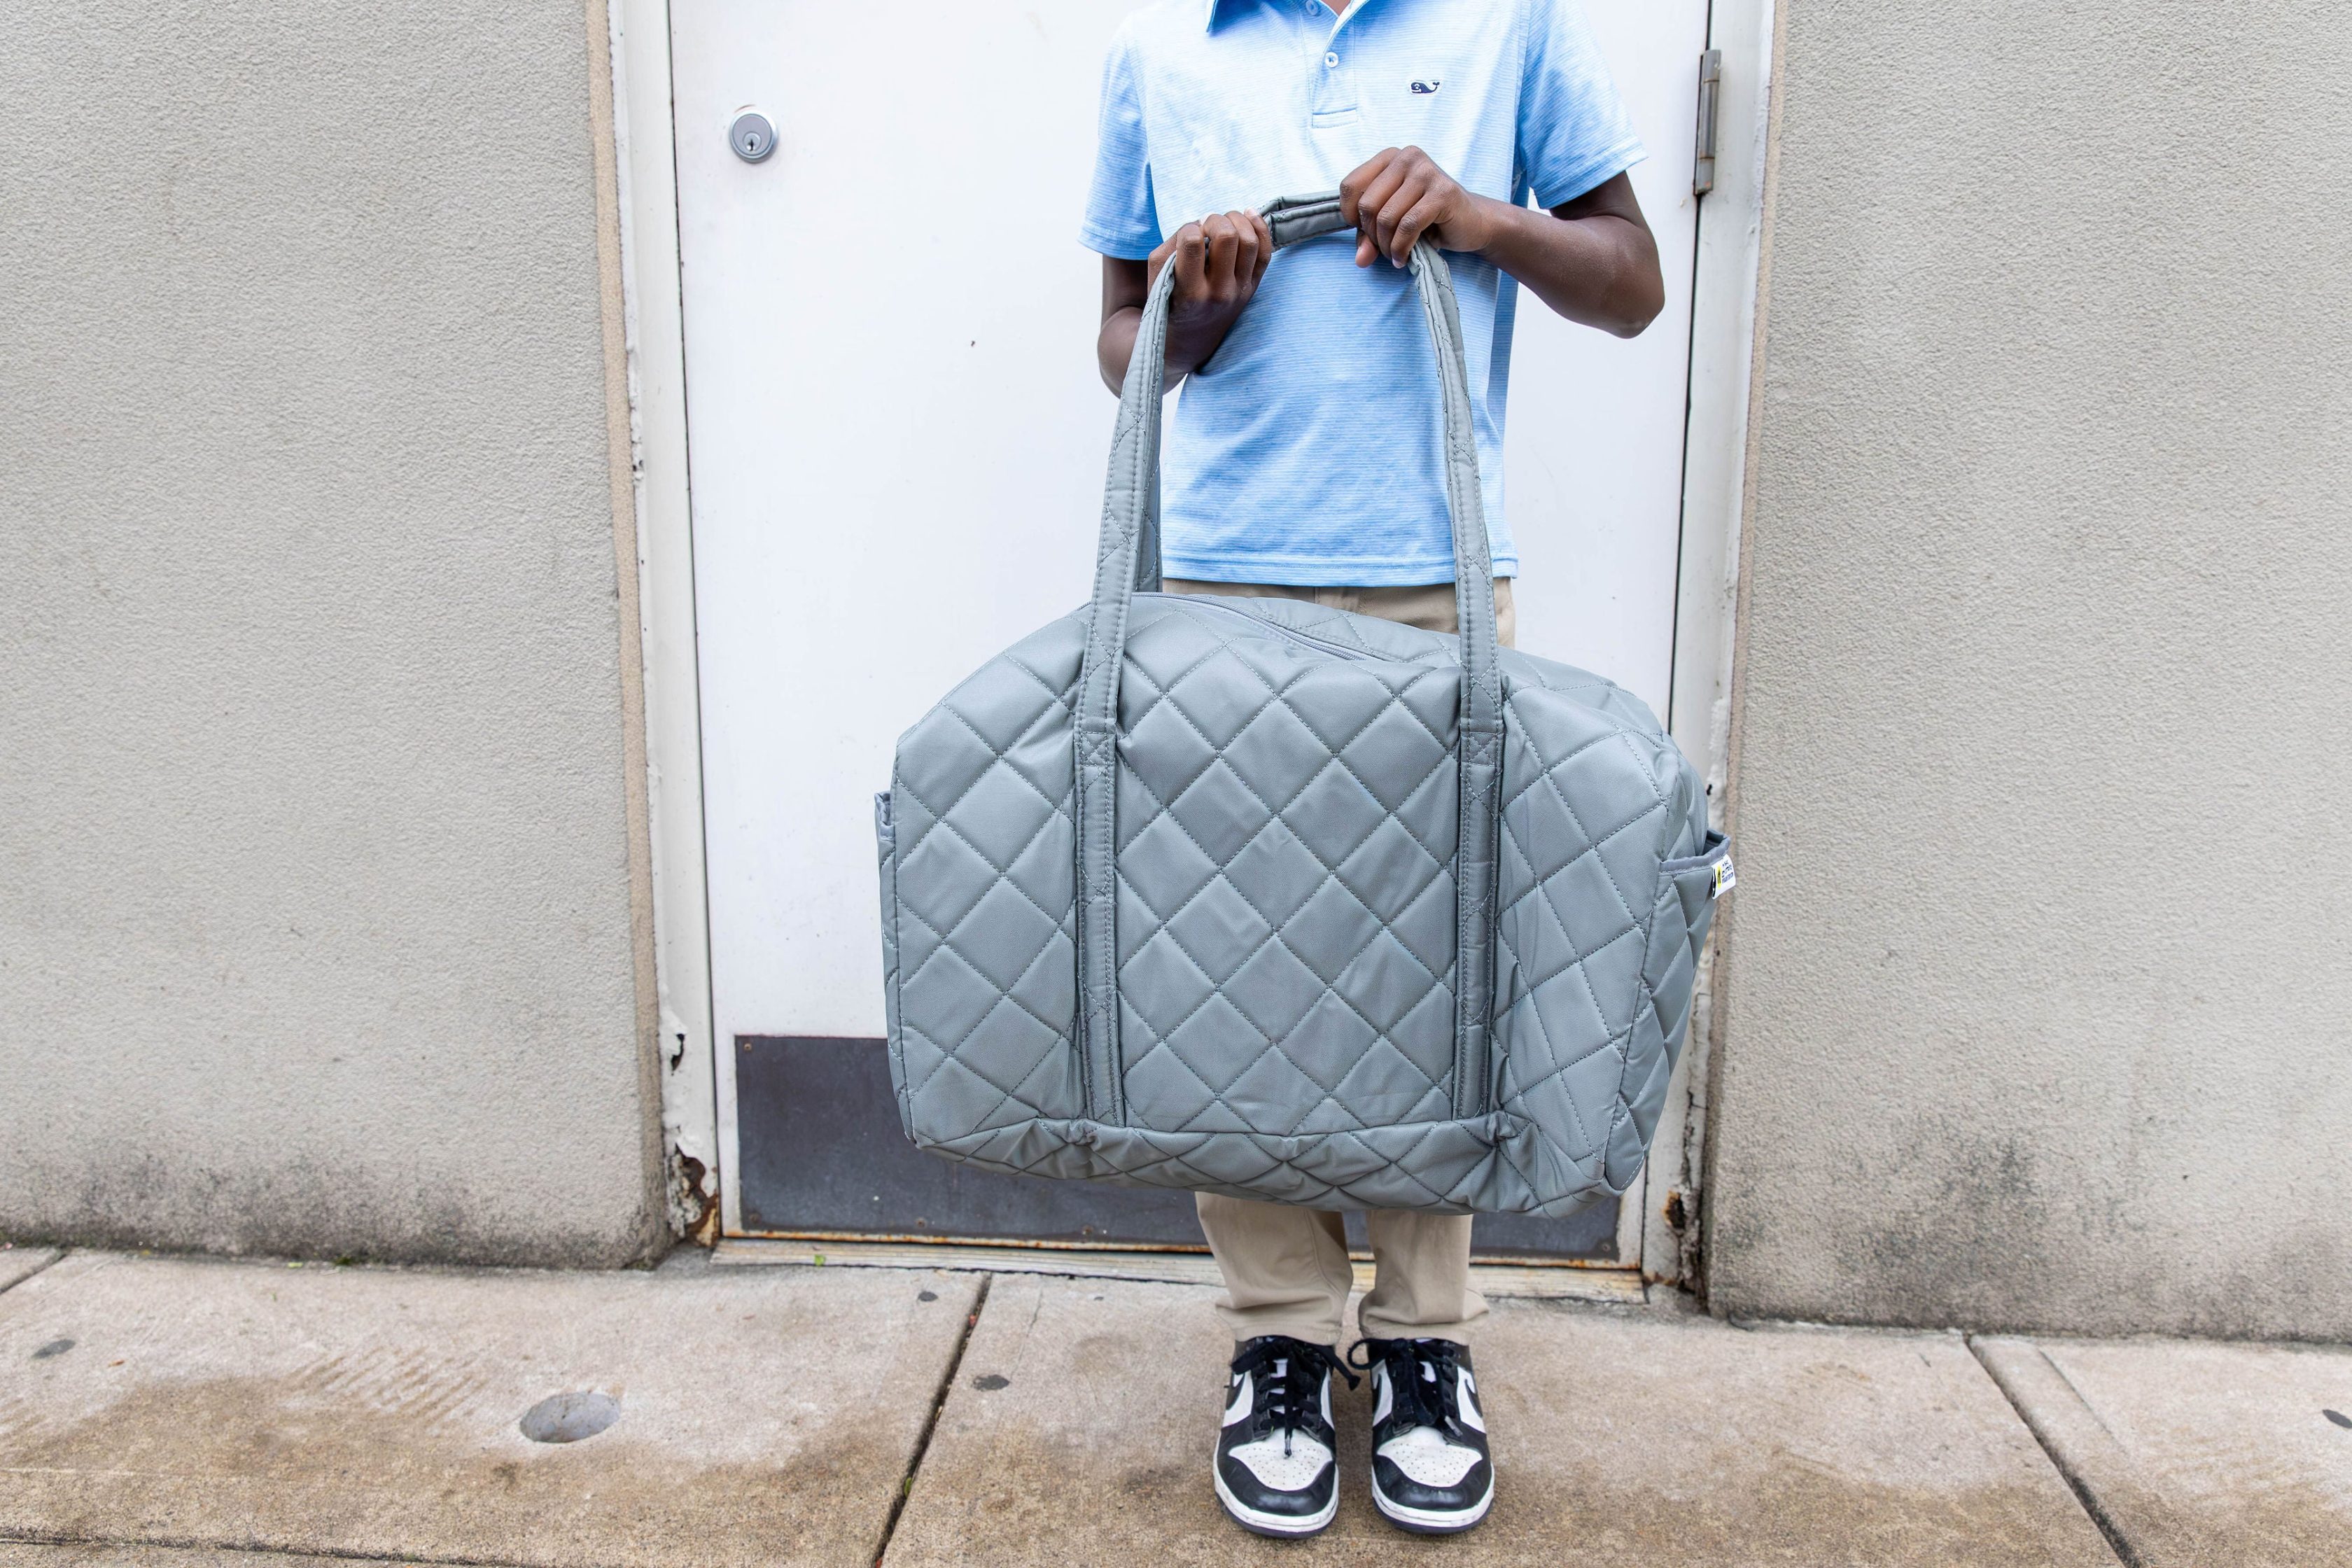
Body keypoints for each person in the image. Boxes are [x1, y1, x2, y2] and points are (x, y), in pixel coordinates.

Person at [1082, 0, 1665, 1538]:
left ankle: (1423, 1344)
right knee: (1229, 975)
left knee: (1436, 968)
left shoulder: (1513, 24)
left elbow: (1632, 283)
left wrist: (1477, 216)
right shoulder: (1161, 49)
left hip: (1437, 582)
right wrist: (1195, 311)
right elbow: (1121, 340)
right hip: (1219, 587)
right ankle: (1278, 1335)